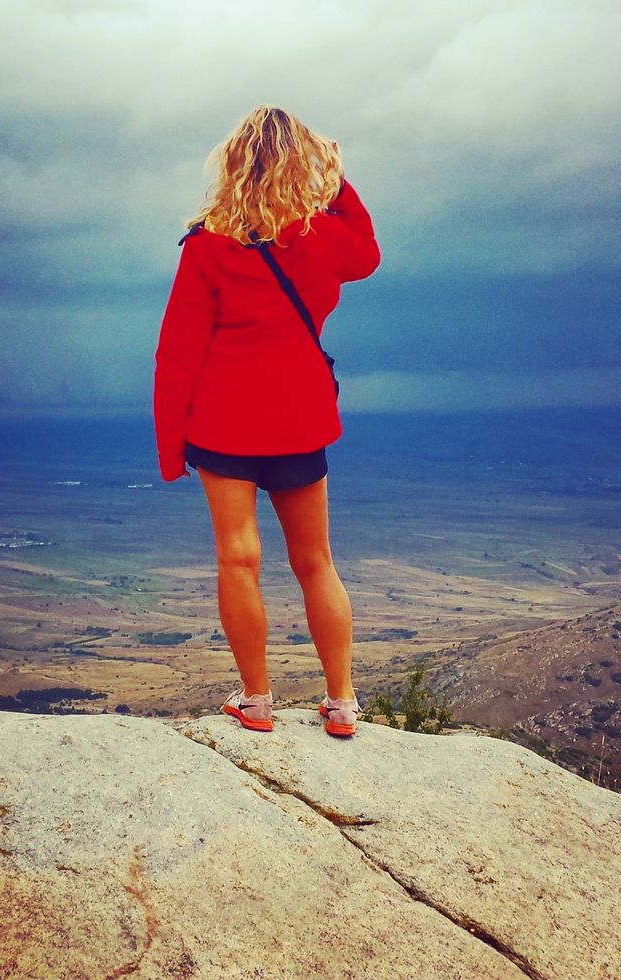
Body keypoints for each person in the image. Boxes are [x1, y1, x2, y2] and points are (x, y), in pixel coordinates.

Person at [153, 105, 380, 736]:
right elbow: (368, 254)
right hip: (300, 419)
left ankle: (256, 701)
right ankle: (340, 703)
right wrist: (337, 180)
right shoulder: (324, 238)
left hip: (222, 423)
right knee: (316, 562)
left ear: (232, 165)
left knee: (238, 559)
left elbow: (177, 353)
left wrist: (172, 450)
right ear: (301, 165)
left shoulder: (205, 246)